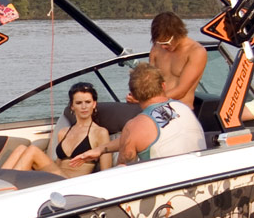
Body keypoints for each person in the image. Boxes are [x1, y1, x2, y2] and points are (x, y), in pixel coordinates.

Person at [71, 63, 206, 170]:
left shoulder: (134, 127)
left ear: (133, 95)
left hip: (166, 189)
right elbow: (136, 138)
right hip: (198, 176)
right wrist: (101, 149)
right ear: (163, 86)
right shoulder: (184, 108)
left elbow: (121, 172)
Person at [0, 82, 110, 177]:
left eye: (88, 102)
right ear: (72, 106)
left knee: (33, 150)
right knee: (21, 148)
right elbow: (57, 165)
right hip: (57, 177)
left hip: (73, 182)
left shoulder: (100, 132)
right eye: (79, 103)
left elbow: (106, 171)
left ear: (94, 104)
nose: (84, 107)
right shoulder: (64, 132)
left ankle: (5, 188)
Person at [148, 12, 210, 105]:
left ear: (178, 33)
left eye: (166, 42)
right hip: (155, 108)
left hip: (180, 110)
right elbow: (149, 82)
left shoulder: (196, 52)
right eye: (160, 43)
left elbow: (181, 90)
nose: (163, 47)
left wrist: (149, 100)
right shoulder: (157, 48)